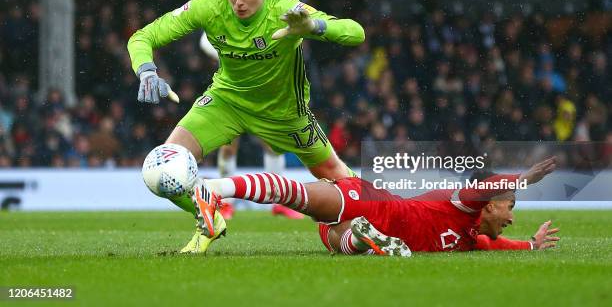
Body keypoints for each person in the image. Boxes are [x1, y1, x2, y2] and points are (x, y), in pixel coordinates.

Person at [127, 0, 365, 253]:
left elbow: (356, 33)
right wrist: (147, 72)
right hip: (227, 102)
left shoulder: (284, 7)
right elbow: (142, 37)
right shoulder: (210, 5)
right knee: (161, 165)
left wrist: (313, 27)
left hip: (285, 112)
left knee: (342, 181)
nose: (239, 1)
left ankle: (387, 222)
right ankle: (209, 216)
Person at [190, 157, 560, 256]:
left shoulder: (469, 236)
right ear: (489, 204)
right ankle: (212, 188)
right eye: (510, 206)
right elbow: (486, 188)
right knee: (294, 195)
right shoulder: (463, 203)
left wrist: (530, 244)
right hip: (380, 207)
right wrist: (521, 179)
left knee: (337, 241)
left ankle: (360, 239)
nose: (512, 217)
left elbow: (494, 244)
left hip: (363, 226)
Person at [200, 31, 303, 220]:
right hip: (230, 93)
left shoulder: (262, 20)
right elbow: (204, 41)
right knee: (229, 147)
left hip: (259, 94)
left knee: (273, 145)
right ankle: (226, 204)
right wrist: (232, 54)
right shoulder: (226, 19)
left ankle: (279, 202)